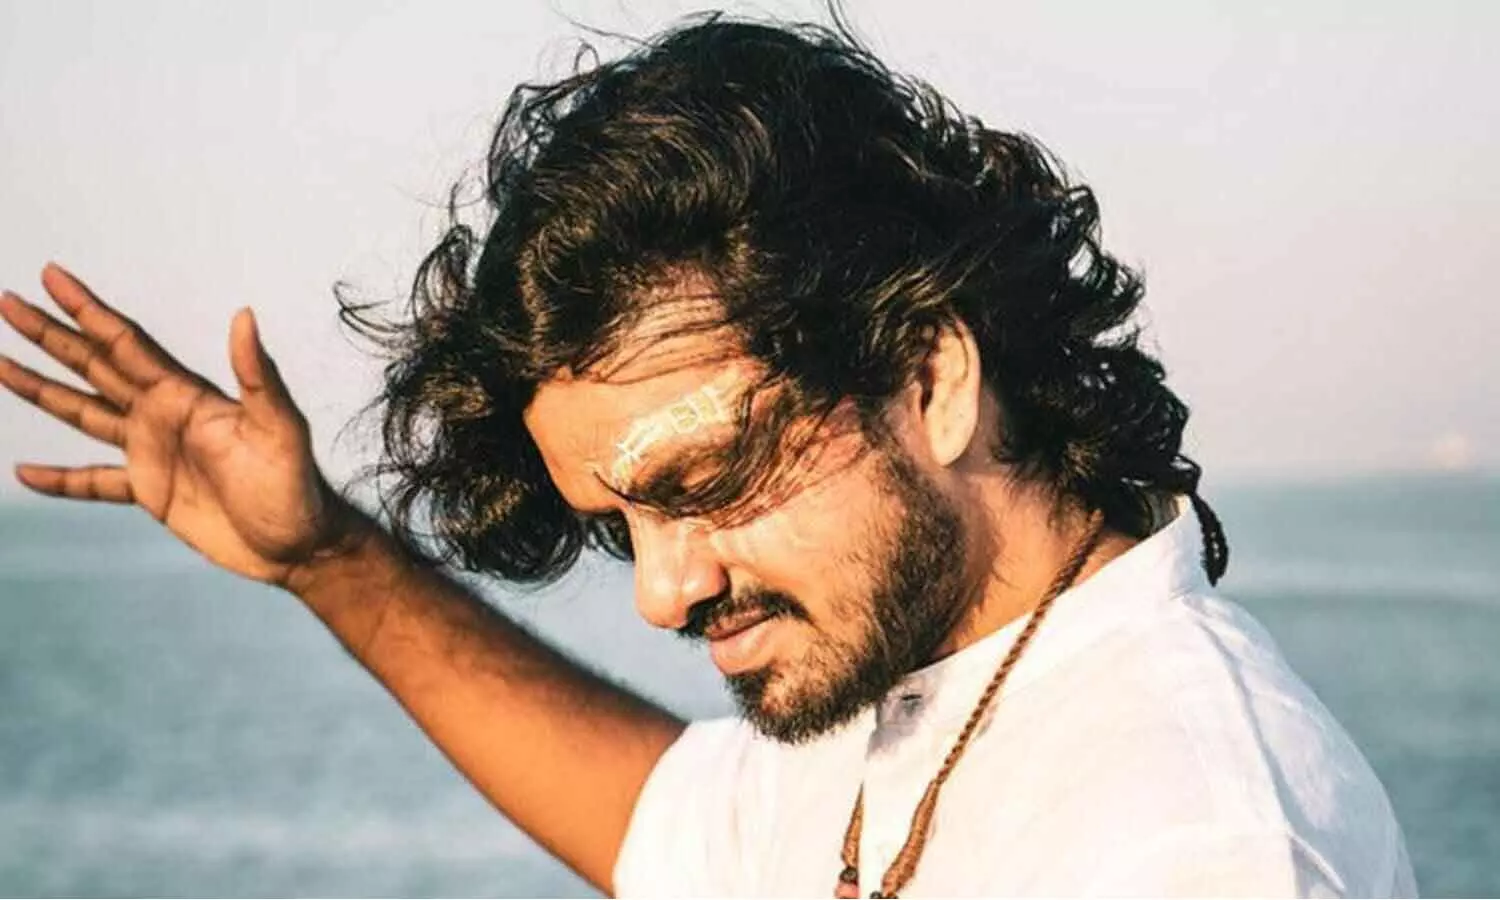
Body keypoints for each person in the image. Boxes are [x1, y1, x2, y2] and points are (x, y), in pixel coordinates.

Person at [0, 14, 1415, 898]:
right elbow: (663, 824)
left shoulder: (1197, 847)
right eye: (620, 524)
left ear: (928, 379)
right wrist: (329, 560)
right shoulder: (919, 674)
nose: (660, 593)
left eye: (703, 484)